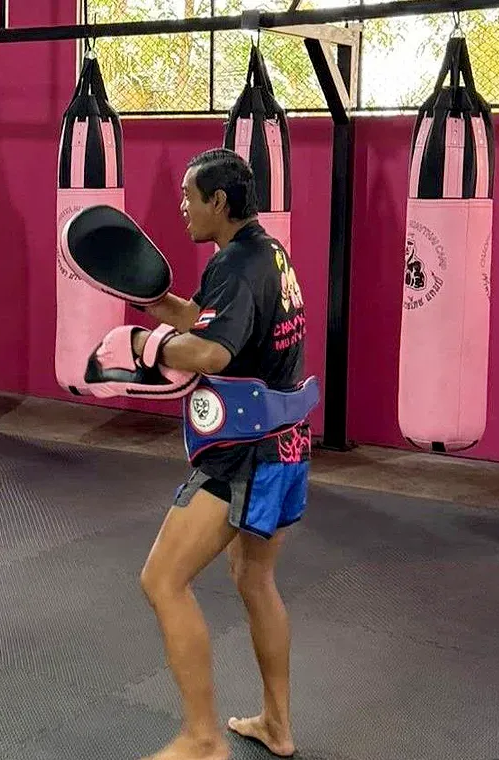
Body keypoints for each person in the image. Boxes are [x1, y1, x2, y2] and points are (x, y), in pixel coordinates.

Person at [81, 148, 312, 760]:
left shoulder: (235, 264)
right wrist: (159, 310)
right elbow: (212, 323)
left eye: (189, 196)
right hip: (287, 446)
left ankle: (203, 738)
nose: (181, 206)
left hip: (243, 454)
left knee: (163, 580)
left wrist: (141, 344)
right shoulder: (268, 253)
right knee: (254, 579)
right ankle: (278, 726)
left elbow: (213, 355)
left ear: (220, 202)